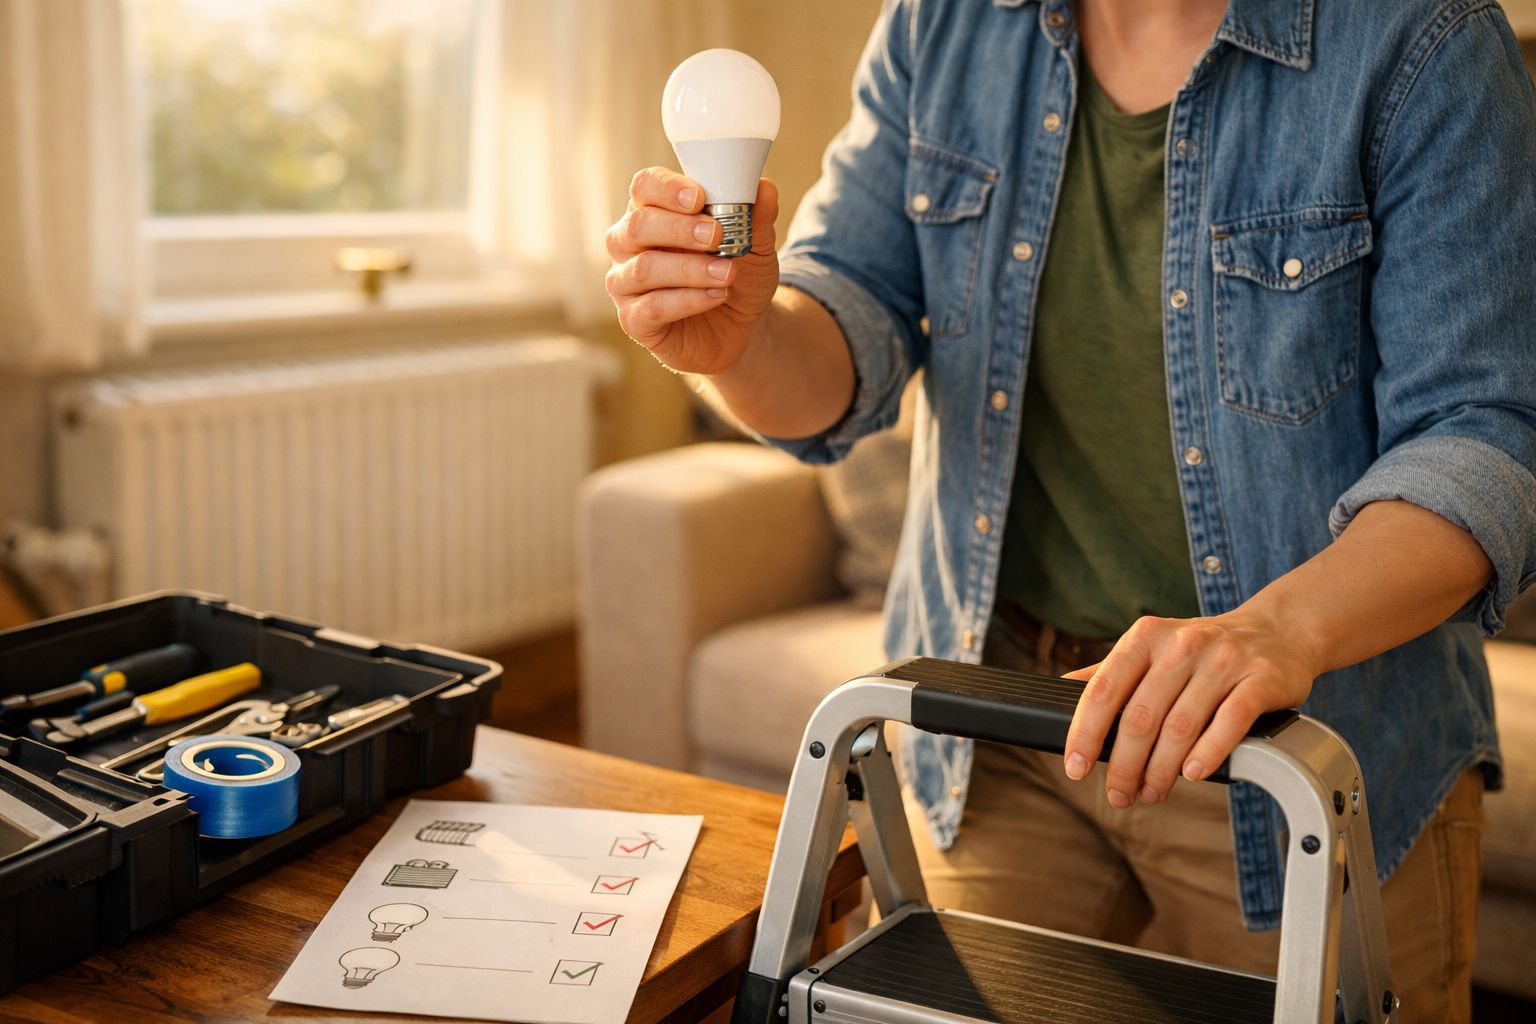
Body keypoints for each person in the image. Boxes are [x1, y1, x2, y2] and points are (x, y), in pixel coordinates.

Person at [604, 1, 1536, 1020]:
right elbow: (846, 322)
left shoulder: (1425, 39)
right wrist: (737, 341)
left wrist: (1274, 629)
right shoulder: (941, 25)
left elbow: (1486, 433)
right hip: (1007, 725)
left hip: (1307, 749)